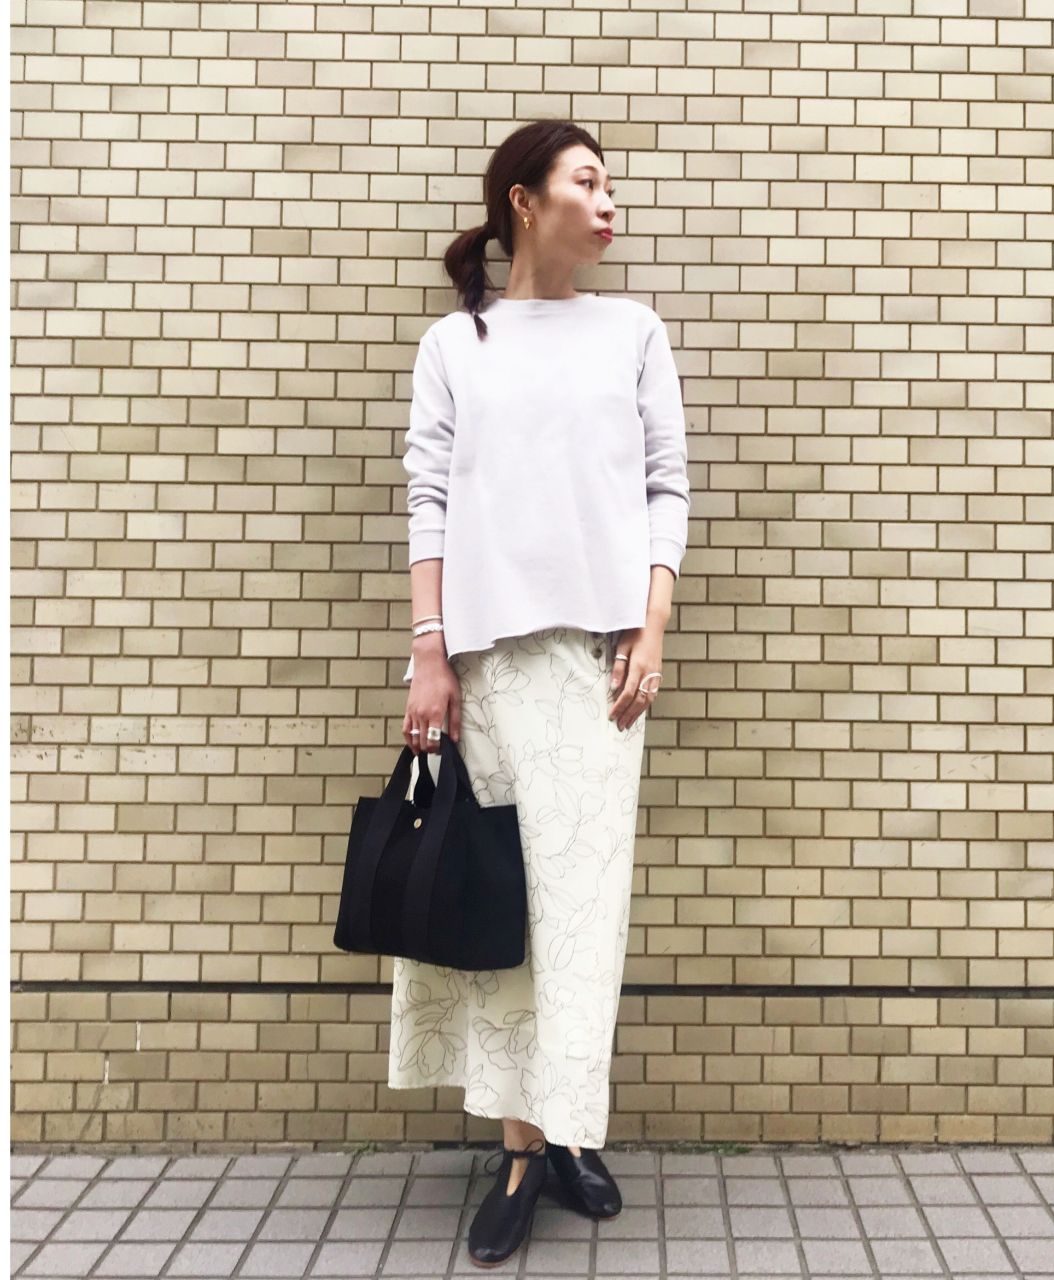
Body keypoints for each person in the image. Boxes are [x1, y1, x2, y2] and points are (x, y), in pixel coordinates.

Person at [389, 119, 690, 1269]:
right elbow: (427, 497)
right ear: (524, 200)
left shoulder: (631, 332)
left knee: (582, 916)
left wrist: (651, 627)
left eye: (610, 186)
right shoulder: (456, 343)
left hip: (602, 669)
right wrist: (428, 652)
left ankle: (566, 1128)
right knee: (508, 911)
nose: (608, 204)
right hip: (488, 669)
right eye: (588, 182)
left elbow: (665, 486)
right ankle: (522, 1150)